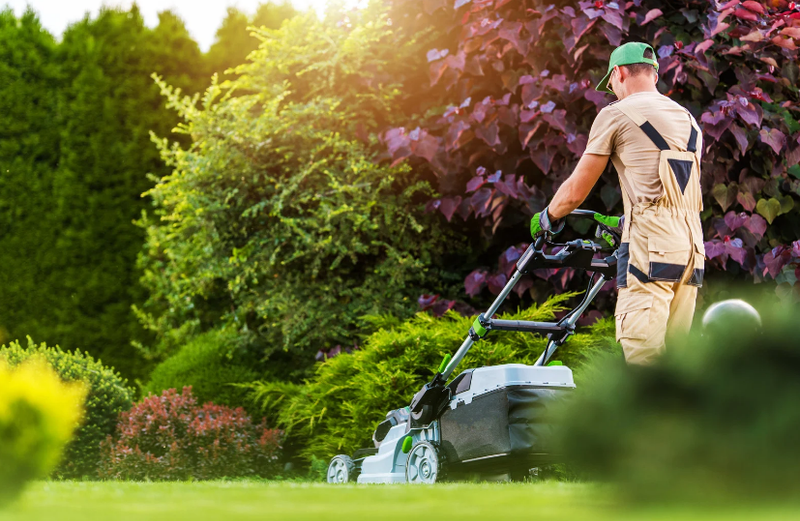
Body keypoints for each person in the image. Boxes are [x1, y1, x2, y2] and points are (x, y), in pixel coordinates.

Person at [529, 42, 704, 365]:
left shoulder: (615, 114)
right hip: (691, 249)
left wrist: (547, 217)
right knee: (677, 364)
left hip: (651, 249)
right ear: (653, 74)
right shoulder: (688, 119)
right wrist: (627, 220)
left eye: (611, 84)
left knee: (643, 356)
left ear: (619, 73)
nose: (612, 92)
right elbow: (672, 189)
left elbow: (575, 193)